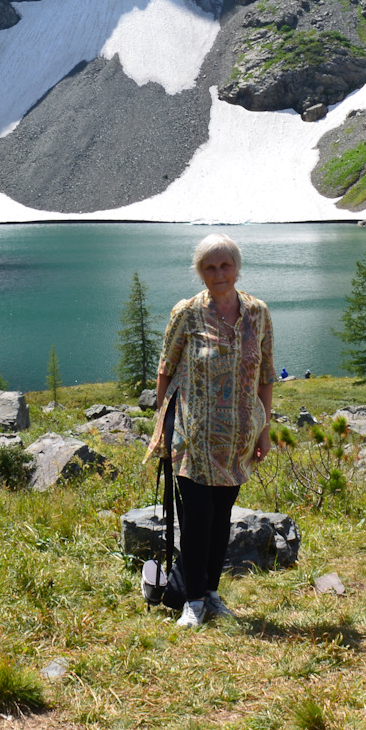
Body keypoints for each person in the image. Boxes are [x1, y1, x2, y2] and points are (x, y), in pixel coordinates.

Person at [149, 232, 274, 627]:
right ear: (200, 272)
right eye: (209, 266)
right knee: (198, 516)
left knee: (222, 517)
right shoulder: (187, 313)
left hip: (238, 437)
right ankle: (193, 601)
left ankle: (212, 593)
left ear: (237, 268)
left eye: (225, 265)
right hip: (193, 437)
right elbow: (166, 370)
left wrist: (264, 429)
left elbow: (266, 375)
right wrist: (163, 427)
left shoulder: (257, 313)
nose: (218, 273)